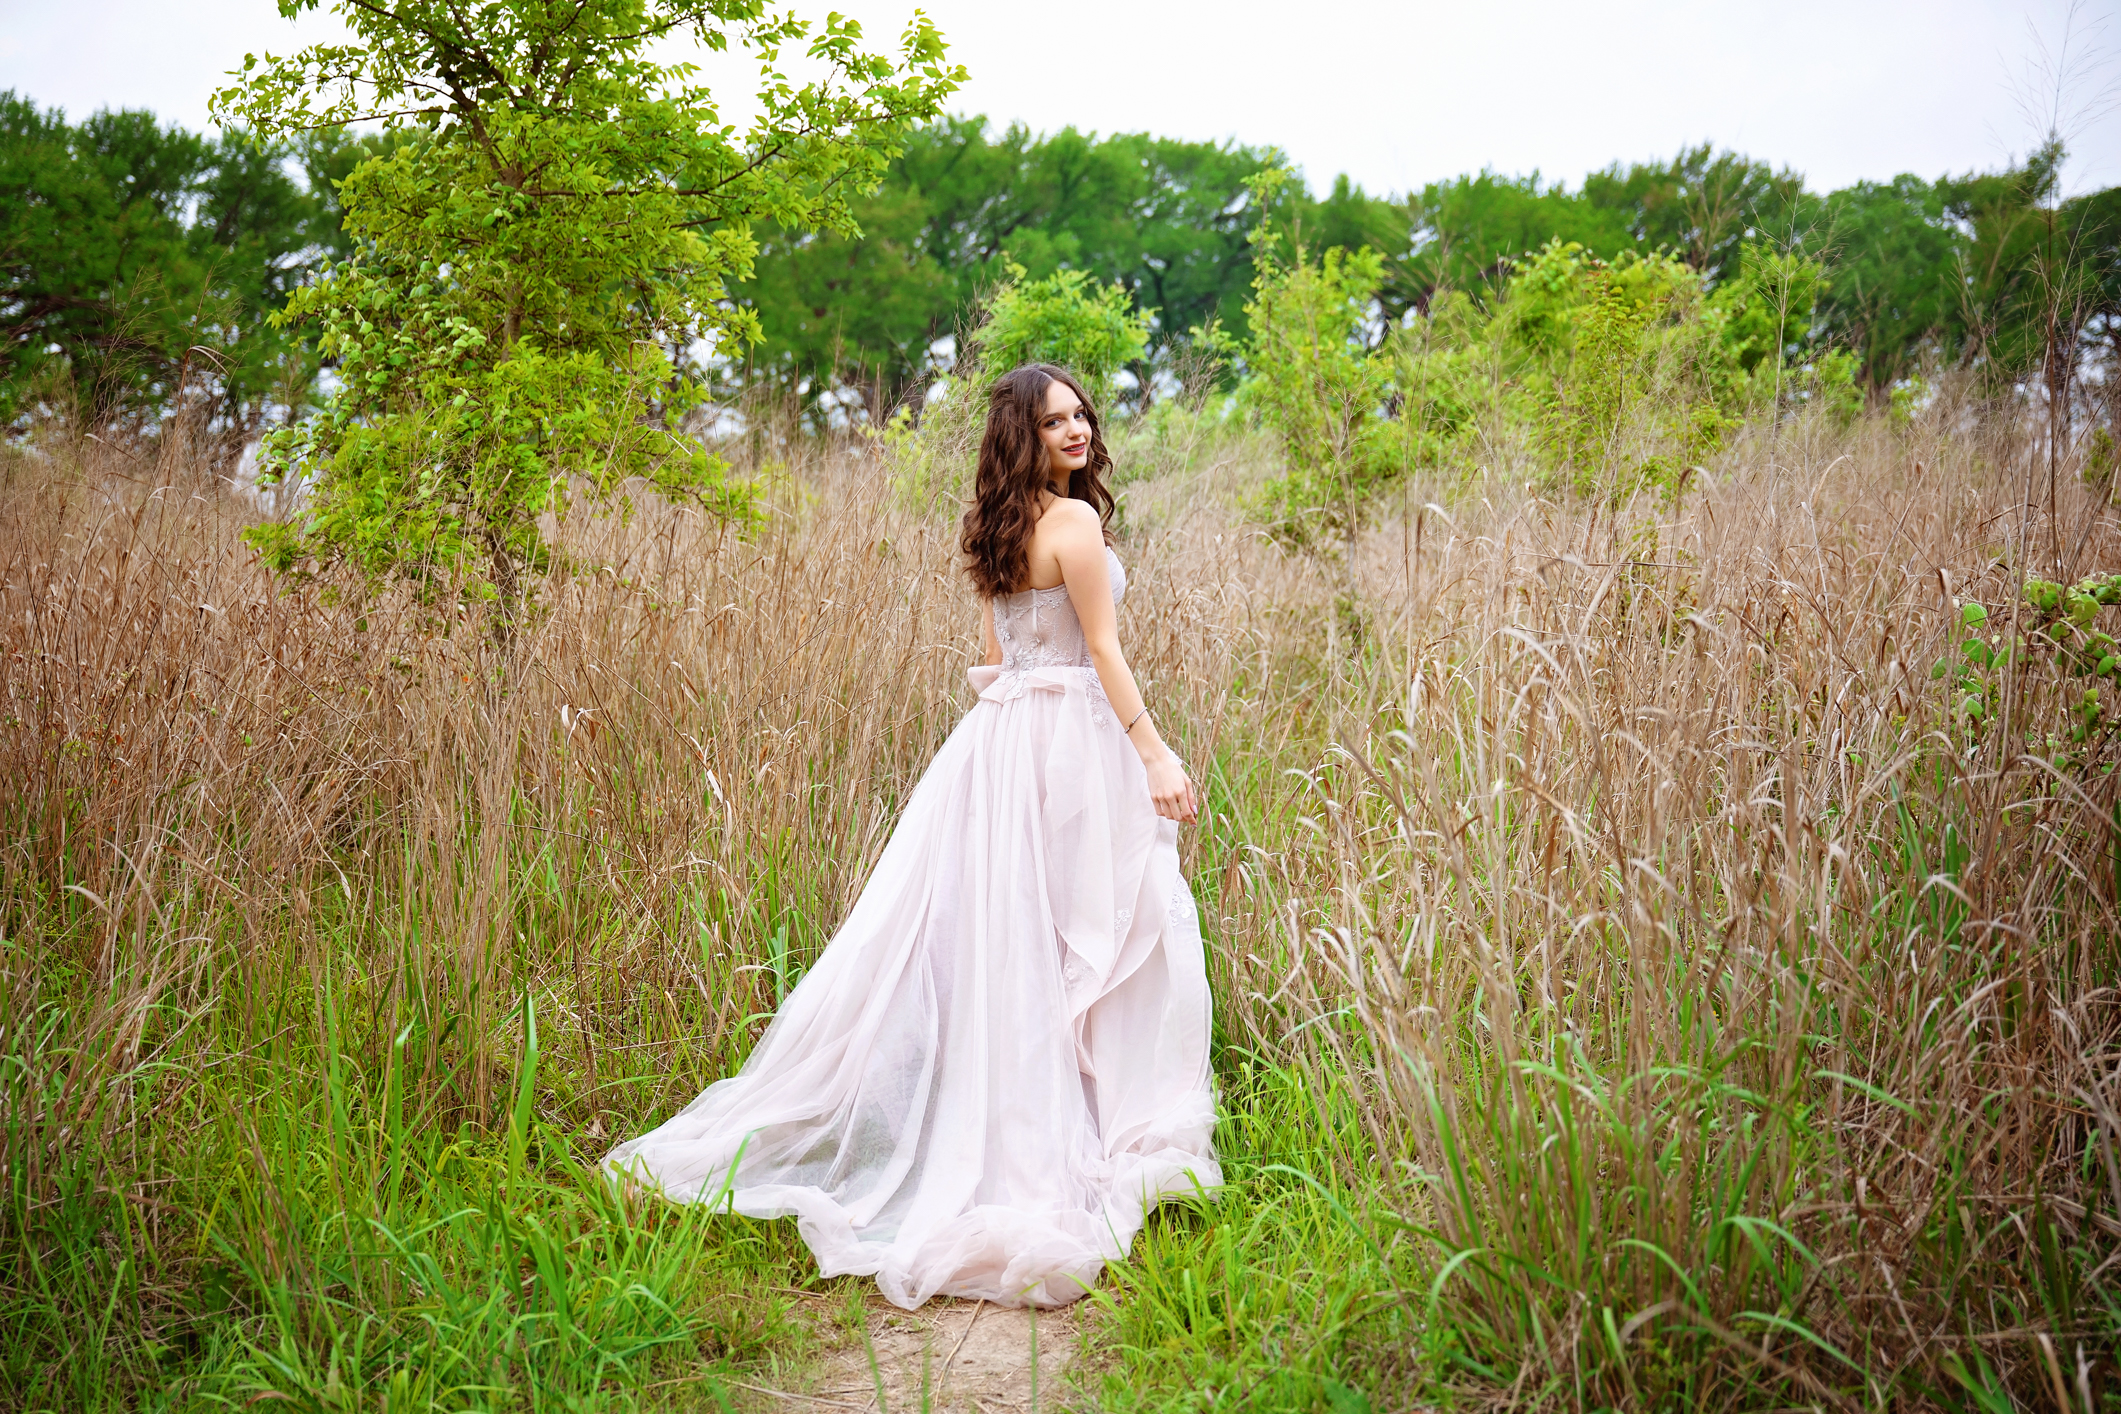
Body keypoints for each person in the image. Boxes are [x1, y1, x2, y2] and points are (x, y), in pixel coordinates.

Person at [604, 363, 1220, 1309]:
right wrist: (1155, 756)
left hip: (998, 743)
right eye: (1054, 422)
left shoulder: (995, 526)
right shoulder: (1077, 525)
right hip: (1066, 745)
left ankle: (1041, 1125)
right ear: (1025, 434)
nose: (1076, 430)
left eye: (1080, 415)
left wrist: (1009, 732)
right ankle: (1073, 1140)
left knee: (1020, 945)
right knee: (1083, 933)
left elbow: (994, 657)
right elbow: (1101, 649)